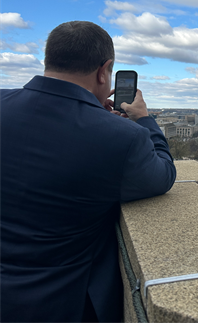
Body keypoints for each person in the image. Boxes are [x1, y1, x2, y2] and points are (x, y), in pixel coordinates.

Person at [0, 21, 177, 323]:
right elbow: (163, 175)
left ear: (49, 60)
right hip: (59, 302)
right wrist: (144, 120)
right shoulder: (121, 136)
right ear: (104, 70)